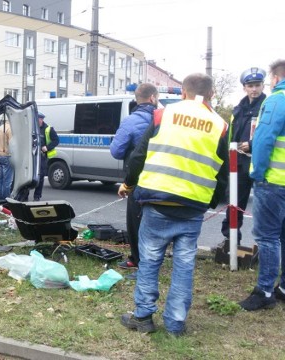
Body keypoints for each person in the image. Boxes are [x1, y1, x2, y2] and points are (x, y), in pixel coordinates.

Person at [118, 73, 228, 336]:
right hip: (193, 207)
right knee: (184, 264)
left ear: (183, 93)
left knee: (150, 260)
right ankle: (176, 323)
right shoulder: (220, 125)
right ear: (211, 94)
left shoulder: (162, 115)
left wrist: (129, 185)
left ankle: (143, 317)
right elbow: (221, 174)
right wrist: (208, 202)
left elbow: (138, 156)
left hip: (158, 201)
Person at [238, 59, 285, 311]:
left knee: (268, 238)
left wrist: (258, 172)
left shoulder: (276, 100)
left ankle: (265, 291)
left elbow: (264, 139)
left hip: (275, 182)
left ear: (275, 78)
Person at [109, 83, 159, 279]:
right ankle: (148, 259)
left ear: (137, 99)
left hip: (138, 177)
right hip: (163, 177)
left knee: (136, 220)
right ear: (153, 98)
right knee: (156, 220)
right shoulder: (164, 119)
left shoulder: (131, 121)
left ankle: (139, 262)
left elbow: (116, 151)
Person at [219, 67, 267, 246]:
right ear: (244, 87)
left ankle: (265, 245)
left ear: (263, 85)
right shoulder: (238, 109)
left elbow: (271, 134)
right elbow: (232, 135)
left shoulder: (268, 106)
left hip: (260, 162)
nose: (254, 89)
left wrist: (253, 145)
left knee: (263, 207)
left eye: (257, 85)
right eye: (250, 85)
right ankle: (231, 241)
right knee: (234, 203)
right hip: (238, 162)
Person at [32, 112, 59, 201]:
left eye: (40, 119)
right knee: (29, 176)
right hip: (32, 156)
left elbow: (56, 140)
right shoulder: (31, 128)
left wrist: (47, 147)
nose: (39, 121)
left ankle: (37, 195)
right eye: (38, 119)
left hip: (42, 156)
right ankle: (25, 194)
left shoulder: (48, 129)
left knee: (40, 176)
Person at [0, 120, 13, 200]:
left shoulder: (1, 127)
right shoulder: (10, 129)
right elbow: (12, 144)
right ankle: (5, 199)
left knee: (0, 178)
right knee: (7, 180)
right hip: (7, 155)